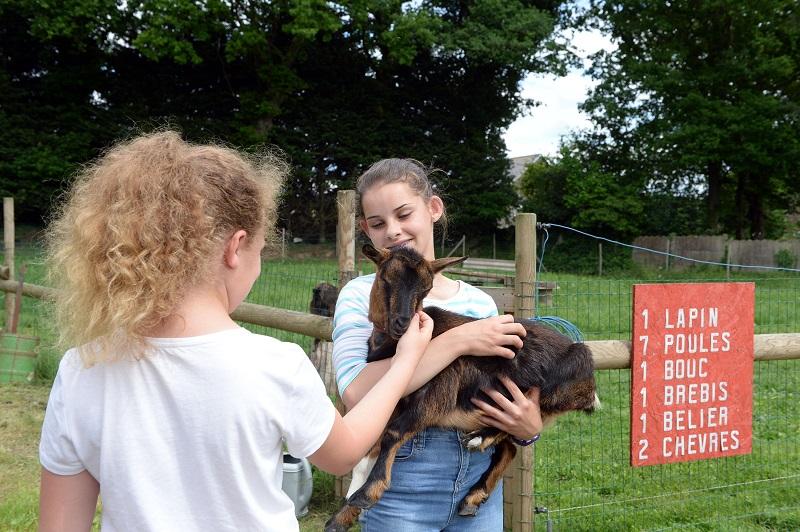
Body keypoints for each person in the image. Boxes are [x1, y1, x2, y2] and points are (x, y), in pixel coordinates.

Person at [38, 132, 433, 532]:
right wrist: (406, 360)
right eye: (259, 251)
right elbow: (345, 452)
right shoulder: (275, 365)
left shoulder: (80, 369)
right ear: (235, 247)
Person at [332, 158, 543, 531]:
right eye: (378, 223)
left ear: (433, 209)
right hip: (401, 485)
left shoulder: (479, 303)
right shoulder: (360, 295)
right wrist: (459, 340)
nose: (393, 231)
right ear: (366, 230)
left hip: (477, 486)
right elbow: (356, 392)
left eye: (403, 214)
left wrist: (528, 428)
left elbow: (504, 391)